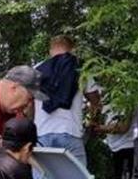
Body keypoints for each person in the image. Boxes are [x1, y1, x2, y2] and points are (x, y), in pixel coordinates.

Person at [34, 35, 95, 168]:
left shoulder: (37, 69)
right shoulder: (81, 68)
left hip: (43, 132)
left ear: (50, 50)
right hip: (70, 130)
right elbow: (95, 99)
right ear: (72, 49)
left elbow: (27, 102)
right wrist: (92, 123)